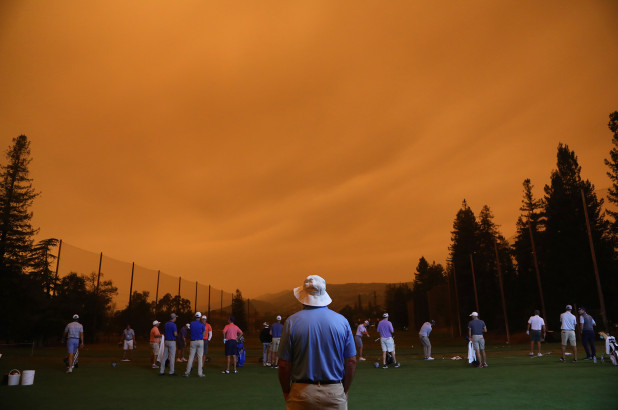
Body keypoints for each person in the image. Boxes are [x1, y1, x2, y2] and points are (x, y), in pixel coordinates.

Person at [277, 275, 356, 409]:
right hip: (334, 390)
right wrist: (344, 389)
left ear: (303, 296)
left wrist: (286, 391)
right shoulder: (341, 321)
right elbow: (351, 361)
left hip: (301, 390)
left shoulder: (292, 322)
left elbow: (284, 364)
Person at [185, 312, 206, 377]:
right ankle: (200, 373)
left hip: (193, 341)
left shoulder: (191, 323)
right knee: (200, 358)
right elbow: (204, 334)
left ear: (195, 316)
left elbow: (188, 329)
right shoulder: (202, 324)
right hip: (200, 341)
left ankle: (187, 373)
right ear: (200, 317)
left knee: (191, 357)